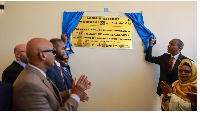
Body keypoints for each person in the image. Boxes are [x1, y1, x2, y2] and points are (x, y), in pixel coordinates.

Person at [12, 38, 89, 110]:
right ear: (43, 55)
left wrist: (72, 92)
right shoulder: (30, 84)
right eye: (53, 51)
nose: (54, 55)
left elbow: (52, 97)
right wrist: (75, 96)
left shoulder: (37, 73)